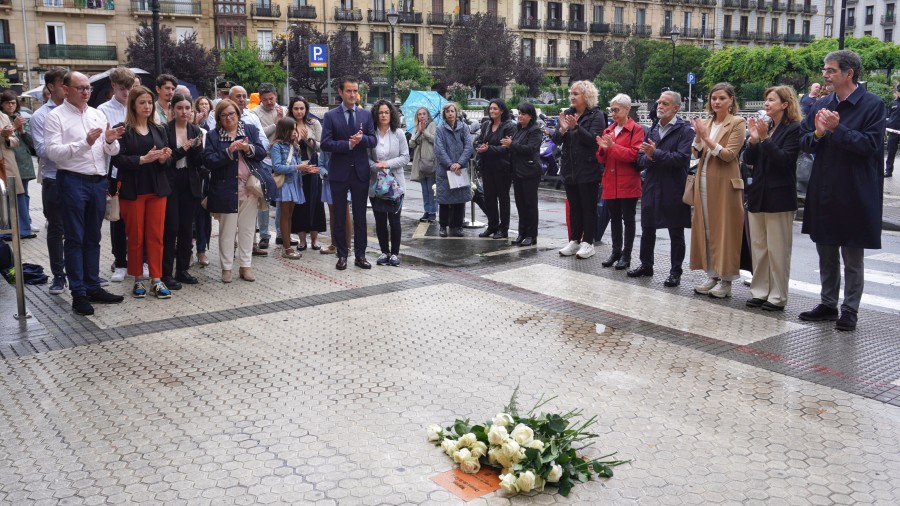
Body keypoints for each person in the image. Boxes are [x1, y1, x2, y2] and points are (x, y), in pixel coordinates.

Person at [798, 50, 885, 331]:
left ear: (849, 73)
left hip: (856, 189)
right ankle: (827, 303)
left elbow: (871, 146)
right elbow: (806, 142)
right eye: (825, 70)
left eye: (831, 70)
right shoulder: (822, 102)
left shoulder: (873, 105)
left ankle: (850, 309)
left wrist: (838, 129)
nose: (825, 75)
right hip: (824, 187)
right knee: (825, 248)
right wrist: (820, 133)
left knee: (852, 254)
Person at [44, 71, 126, 315]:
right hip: (72, 181)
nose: (85, 92)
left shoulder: (97, 114)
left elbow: (112, 150)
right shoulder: (56, 117)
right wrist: (85, 143)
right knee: (75, 238)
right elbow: (52, 153)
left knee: (93, 237)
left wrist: (110, 141)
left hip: (97, 181)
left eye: (88, 88)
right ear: (65, 89)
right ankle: (78, 292)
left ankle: (93, 286)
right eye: (80, 87)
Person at [742, 85, 802, 311]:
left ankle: (777, 296)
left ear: (785, 105)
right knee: (759, 248)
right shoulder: (767, 127)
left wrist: (765, 140)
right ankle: (760, 291)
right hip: (758, 194)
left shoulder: (794, 128)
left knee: (778, 250)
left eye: (772, 100)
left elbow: (784, 161)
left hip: (780, 196)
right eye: (765, 100)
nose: (766, 104)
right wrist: (754, 141)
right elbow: (750, 160)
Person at [111, 86, 174, 299]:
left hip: (157, 189)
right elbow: (117, 159)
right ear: (133, 105)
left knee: (156, 236)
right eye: (142, 103)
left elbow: (167, 159)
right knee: (136, 236)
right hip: (133, 190)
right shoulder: (123, 129)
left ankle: (157, 279)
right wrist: (141, 159)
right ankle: (138, 278)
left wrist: (165, 158)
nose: (147, 106)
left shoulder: (159, 128)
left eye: (149, 102)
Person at [689, 82, 747, 299]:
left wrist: (706, 137)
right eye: (714, 98)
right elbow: (696, 153)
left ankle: (727, 280)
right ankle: (711, 274)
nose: (717, 102)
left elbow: (729, 155)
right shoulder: (707, 122)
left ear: (731, 100)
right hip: (703, 181)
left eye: (722, 98)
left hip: (725, 183)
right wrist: (698, 137)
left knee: (725, 231)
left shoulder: (738, 122)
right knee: (706, 228)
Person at [633, 90, 694, 287]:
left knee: (675, 231)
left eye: (665, 104)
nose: (660, 106)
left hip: (674, 186)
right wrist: (650, 157)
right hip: (651, 184)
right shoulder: (652, 130)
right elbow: (641, 159)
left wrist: (655, 153)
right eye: (659, 102)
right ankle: (646, 265)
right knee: (647, 227)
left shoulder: (685, 130)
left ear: (676, 108)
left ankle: (675, 271)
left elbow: (682, 159)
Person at [204, 99, 267, 282]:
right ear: (218, 118)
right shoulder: (214, 136)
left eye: (232, 114)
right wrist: (228, 152)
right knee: (227, 230)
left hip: (249, 187)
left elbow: (262, 152)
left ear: (238, 115)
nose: (229, 118)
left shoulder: (249, 130)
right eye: (224, 115)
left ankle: (245, 267)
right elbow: (208, 161)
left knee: (247, 230)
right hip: (225, 188)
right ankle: (226, 268)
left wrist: (248, 148)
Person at [320, 76, 377, 270]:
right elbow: (325, 143)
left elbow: (373, 140)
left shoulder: (365, 115)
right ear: (340, 92)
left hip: (360, 171)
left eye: (355, 91)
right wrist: (347, 144)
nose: (353, 94)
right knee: (339, 216)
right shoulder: (331, 116)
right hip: (339, 171)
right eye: (349, 91)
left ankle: (360, 255)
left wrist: (361, 140)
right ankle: (342, 254)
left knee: (361, 217)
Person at [554, 80, 607, 259]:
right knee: (575, 206)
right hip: (569, 169)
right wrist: (562, 130)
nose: (572, 97)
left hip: (588, 169)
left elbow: (594, 140)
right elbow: (556, 139)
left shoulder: (596, 115)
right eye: (571, 93)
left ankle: (588, 242)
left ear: (586, 96)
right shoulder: (568, 113)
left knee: (588, 207)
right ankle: (575, 240)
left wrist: (576, 128)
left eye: (575, 93)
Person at [30, 67, 69, 294]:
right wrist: (73, 145)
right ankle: (58, 276)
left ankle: (81, 275)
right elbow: (43, 151)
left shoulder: (80, 111)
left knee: (79, 228)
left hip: (77, 177)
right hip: (54, 178)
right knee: (56, 229)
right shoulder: (40, 116)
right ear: (51, 87)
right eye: (63, 83)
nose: (67, 87)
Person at [97, 67, 137, 283]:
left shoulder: (137, 106)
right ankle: (120, 262)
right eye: (123, 89)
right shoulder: (103, 110)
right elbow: (104, 143)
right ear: (113, 86)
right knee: (118, 218)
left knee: (138, 218)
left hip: (139, 170)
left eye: (130, 88)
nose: (127, 93)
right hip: (115, 171)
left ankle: (139, 259)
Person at [596, 93, 644, 270]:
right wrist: (602, 150)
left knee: (628, 220)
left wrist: (612, 147)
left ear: (627, 109)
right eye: (612, 110)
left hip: (627, 181)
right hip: (610, 180)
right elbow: (601, 159)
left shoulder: (636, 129)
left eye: (616, 110)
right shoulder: (608, 130)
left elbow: (633, 155)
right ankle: (616, 252)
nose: (613, 113)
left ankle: (626, 255)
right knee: (614, 218)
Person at [163, 93, 205, 287]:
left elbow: (198, 162)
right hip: (171, 182)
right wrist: (183, 149)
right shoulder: (164, 130)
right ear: (172, 109)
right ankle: (166, 272)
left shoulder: (195, 129)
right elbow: (165, 161)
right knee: (171, 227)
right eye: (179, 108)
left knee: (187, 228)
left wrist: (195, 148)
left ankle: (182, 269)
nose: (184, 112)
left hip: (189, 181)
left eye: (187, 108)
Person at [225, 85, 271, 255]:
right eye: (238, 96)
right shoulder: (219, 116)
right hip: (228, 173)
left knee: (249, 216)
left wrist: (250, 148)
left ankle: (250, 246)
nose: (242, 99)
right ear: (230, 98)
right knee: (230, 217)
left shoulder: (252, 118)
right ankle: (231, 249)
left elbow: (263, 141)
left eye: (244, 96)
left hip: (250, 171)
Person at [368, 100, 410, 266]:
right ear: (376, 115)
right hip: (376, 184)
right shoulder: (372, 134)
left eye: (386, 112)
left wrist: (387, 164)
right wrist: (377, 167)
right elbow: (367, 158)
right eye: (380, 112)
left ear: (391, 114)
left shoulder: (398, 133)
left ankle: (394, 254)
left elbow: (405, 157)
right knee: (379, 220)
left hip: (395, 184)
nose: (384, 115)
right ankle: (384, 252)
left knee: (394, 220)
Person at [271, 117, 317, 259]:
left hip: (295, 183)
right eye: (292, 129)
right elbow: (277, 167)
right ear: (284, 130)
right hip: (284, 184)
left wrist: (306, 169)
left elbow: (297, 167)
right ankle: (287, 248)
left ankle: (288, 244)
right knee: (284, 215)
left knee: (290, 215)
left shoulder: (294, 146)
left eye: (295, 129)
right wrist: (298, 167)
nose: (295, 132)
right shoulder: (276, 146)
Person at [474, 99, 516, 239]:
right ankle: (492, 226)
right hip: (487, 167)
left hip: (502, 168)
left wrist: (488, 148)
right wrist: (479, 146)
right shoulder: (486, 124)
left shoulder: (509, 126)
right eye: (490, 108)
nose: (492, 111)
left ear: (502, 110)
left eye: (495, 109)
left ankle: (503, 229)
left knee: (503, 199)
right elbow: (479, 140)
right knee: (489, 198)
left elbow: (506, 148)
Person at [502, 102, 542, 246]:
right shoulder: (518, 129)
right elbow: (515, 149)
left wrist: (511, 145)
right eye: (519, 113)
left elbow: (530, 149)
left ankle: (532, 235)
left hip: (530, 172)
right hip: (517, 172)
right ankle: (522, 233)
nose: (520, 116)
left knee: (530, 204)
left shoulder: (535, 131)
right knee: (520, 204)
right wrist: (508, 146)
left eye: (523, 114)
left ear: (530, 116)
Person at [288, 97, 325, 250]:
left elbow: (321, 145)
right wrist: (295, 141)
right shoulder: (288, 124)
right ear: (291, 109)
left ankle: (315, 240)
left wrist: (307, 139)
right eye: (296, 108)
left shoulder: (314, 123)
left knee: (315, 202)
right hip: (296, 167)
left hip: (313, 165)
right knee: (299, 204)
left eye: (302, 108)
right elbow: (283, 144)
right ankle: (302, 240)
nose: (299, 111)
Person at [434, 102, 474, 238]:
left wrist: (459, 163)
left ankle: (457, 226)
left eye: (452, 111)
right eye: (447, 111)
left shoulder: (464, 128)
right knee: (444, 200)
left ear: (456, 113)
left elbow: (469, 147)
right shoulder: (440, 129)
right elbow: (439, 150)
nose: (450, 113)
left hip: (460, 169)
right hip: (445, 170)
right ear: (444, 114)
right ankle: (443, 226)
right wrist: (450, 164)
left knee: (459, 199)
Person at [1, 91, 35, 241]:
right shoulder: (5, 117)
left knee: (20, 195)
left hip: (16, 163)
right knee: (6, 197)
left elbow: (21, 141)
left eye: (13, 102)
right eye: (8, 102)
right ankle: (8, 228)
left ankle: (23, 227)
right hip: (7, 163)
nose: (11, 105)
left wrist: (13, 133)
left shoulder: (10, 117)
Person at [409, 107, 438, 223]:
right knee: (424, 189)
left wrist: (424, 132)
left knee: (431, 189)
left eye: (424, 114)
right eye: (419, 114)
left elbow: (435, 140)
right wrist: (418, 133)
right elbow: (411, 144)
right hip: (419, 162)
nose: (422, 116)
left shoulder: (432, 125)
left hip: (430, 161)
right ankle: (426, 210)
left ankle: (433, 212)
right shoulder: (416, 128)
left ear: (427, 115)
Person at [884, 84, 900, 178]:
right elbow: (889, 116)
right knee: (891, 152)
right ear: (897, 91)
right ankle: (888, 171)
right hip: (893, 131)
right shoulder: (893, 103)